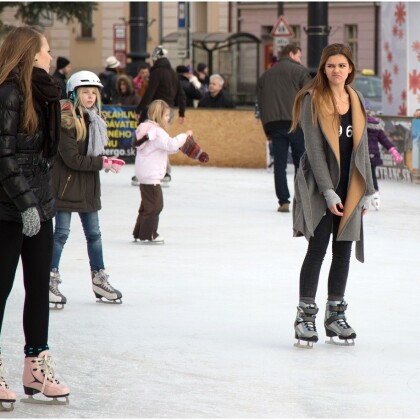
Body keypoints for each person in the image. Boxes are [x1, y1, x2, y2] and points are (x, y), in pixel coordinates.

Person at [0, 26, 70, 408]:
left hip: (41, 209)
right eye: (45, 50)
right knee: (1, 288)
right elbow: (4, 156)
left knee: (38, 288)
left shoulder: (42, 95)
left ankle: (35, 366)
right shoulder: (8, 94)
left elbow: (43, 157)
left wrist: (40, 206)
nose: (50, 56)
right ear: (29, 53)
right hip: (8, 210)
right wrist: (25, 203)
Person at [290, 43, 375, 348]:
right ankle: (305, 316)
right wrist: (327, 192)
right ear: (323, 69)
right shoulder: (314, 98)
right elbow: (313, 150)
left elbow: (362, 148)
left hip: (350, 186)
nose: (336, 71)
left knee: (343, 253)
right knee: (317, 250)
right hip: (320, 186)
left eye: (341, 65)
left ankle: (334, 315)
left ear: (350, 68)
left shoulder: (356, 99)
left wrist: (367, 191)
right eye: (330, 66)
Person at [48, 71, 125, 309]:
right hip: (65, 186)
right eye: (85, 92)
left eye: (93, 93)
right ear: (74, 93)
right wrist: (102, 163)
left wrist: (106, 160)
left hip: (88, 187)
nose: (90, 96)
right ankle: (48, 280)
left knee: (95, 235)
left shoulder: (94, 119)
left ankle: (99, 279)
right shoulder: (67, 119)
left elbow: (91, 155)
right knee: (60, 235)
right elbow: (72, 159)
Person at [132, 99, 208, 244]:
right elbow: (170, 144)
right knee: (155, 205)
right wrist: (185, 136)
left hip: (144, 173)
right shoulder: (158, 131)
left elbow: (166, 148)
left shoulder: (144, 127)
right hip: (151, 174)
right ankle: (149, 234)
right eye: (166, 116)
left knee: (146, 205)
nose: (168, 119)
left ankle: (139, 232)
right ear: (159, 115)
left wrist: (180, 145)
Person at [256, 44, 312, 213]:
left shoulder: (265, 76)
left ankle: (283, 201)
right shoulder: (300, 71)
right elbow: (311, 96)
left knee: (279, 164)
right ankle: (301, 200)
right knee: (300, 162)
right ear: (291, 54)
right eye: (299, 56)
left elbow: (262, 103)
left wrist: (267, 129)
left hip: (274, 124)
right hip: (296, 122)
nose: (300, 60)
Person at [133, 46, 186, 187]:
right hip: (169, 111)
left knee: (149, 140)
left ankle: (157, 171)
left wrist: (139, 109)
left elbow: (150, 93)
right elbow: (181, 94)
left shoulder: (157, 72)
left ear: (155, 58)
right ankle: (163, 172)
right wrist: (181, 113)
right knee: (162, 140)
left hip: (157, 110)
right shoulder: (173, 73)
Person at [366, 107, 403, 210]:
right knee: (372, 176)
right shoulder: (377, 126)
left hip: (361, 155)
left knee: (360, 176)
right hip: (373, 154)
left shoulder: (358, 124)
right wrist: (394, 152)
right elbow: (385, 141)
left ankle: (362, 197)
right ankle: (376, 197)